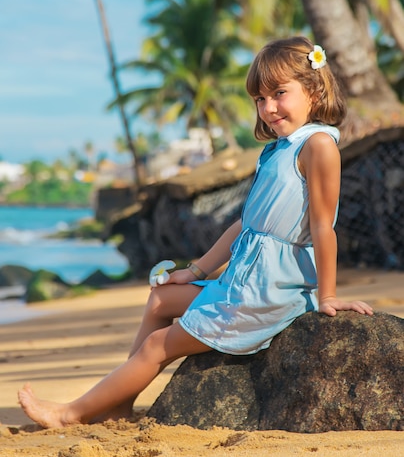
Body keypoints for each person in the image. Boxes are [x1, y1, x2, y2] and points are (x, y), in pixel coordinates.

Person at [18, 36, 373, 429]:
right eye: (259, 98)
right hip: (244, 279)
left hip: (268, 292)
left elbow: (324, 226)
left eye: (279, 93)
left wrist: (328, 296)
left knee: (157, 346)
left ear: (314, 89)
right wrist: (198, 271)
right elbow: (243, 226)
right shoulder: (278, 150)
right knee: (160, 300)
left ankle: (70, 414)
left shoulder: (319, 146)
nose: (268, 107)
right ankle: (120, 402)